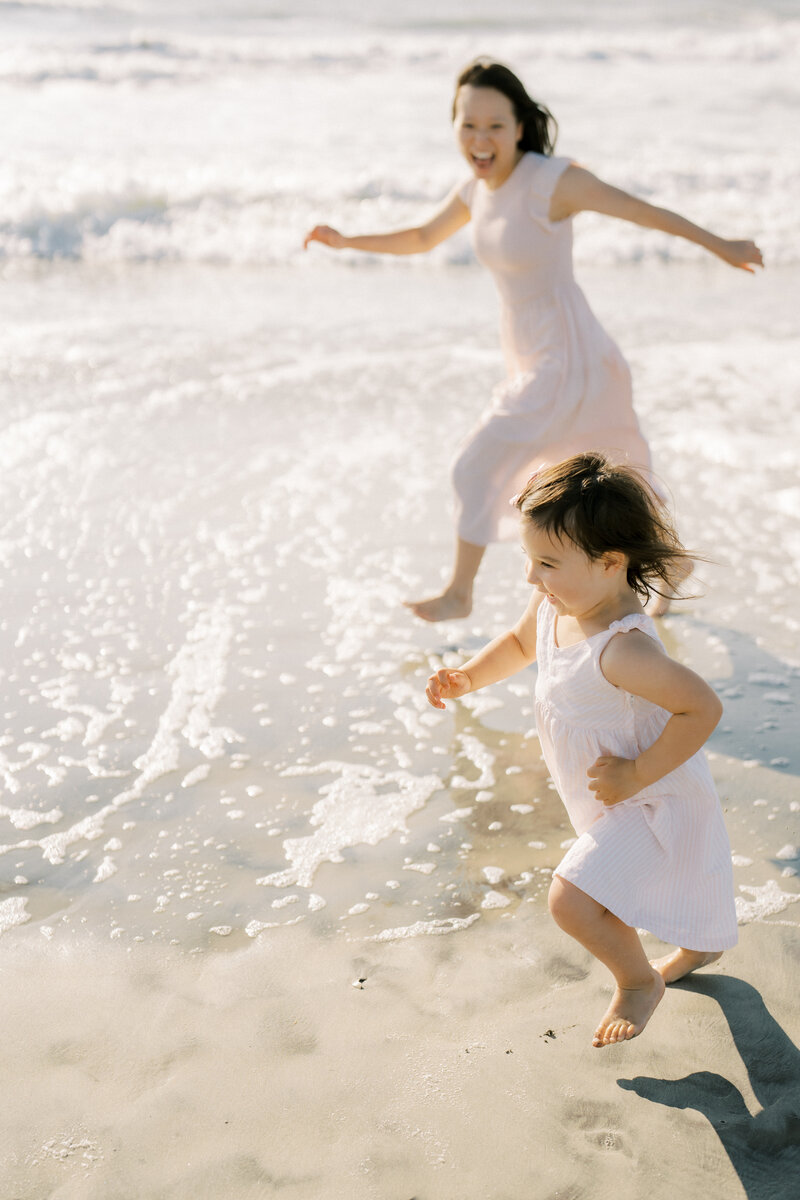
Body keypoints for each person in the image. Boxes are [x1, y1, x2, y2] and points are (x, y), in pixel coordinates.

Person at [304, 58, 763, 622]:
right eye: (468, 124)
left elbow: (639, 211)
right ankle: (669, 568)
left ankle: (459, 593)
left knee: (477, 465)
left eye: (495, 125)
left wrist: (722, 245)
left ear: (520, 127)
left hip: (569, 357)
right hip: (536, 356)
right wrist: (348, 241)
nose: (480, 138)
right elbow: (423, 236)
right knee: (617, 484)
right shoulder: (474, 190)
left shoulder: (551, 181)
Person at [425, 452, 738, 1048]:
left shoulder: (623, 650)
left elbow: (702, 706)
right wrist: (467, 677)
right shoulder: (556, 605)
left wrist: (638, 773)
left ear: (611, 563)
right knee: (667, 882)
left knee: (572, 901)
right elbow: (520, 644)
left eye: (546, 562)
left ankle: (638, 981)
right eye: (528, 559)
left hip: (649, 798)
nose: (530, 577)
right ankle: (703, 942)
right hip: (607, 791)